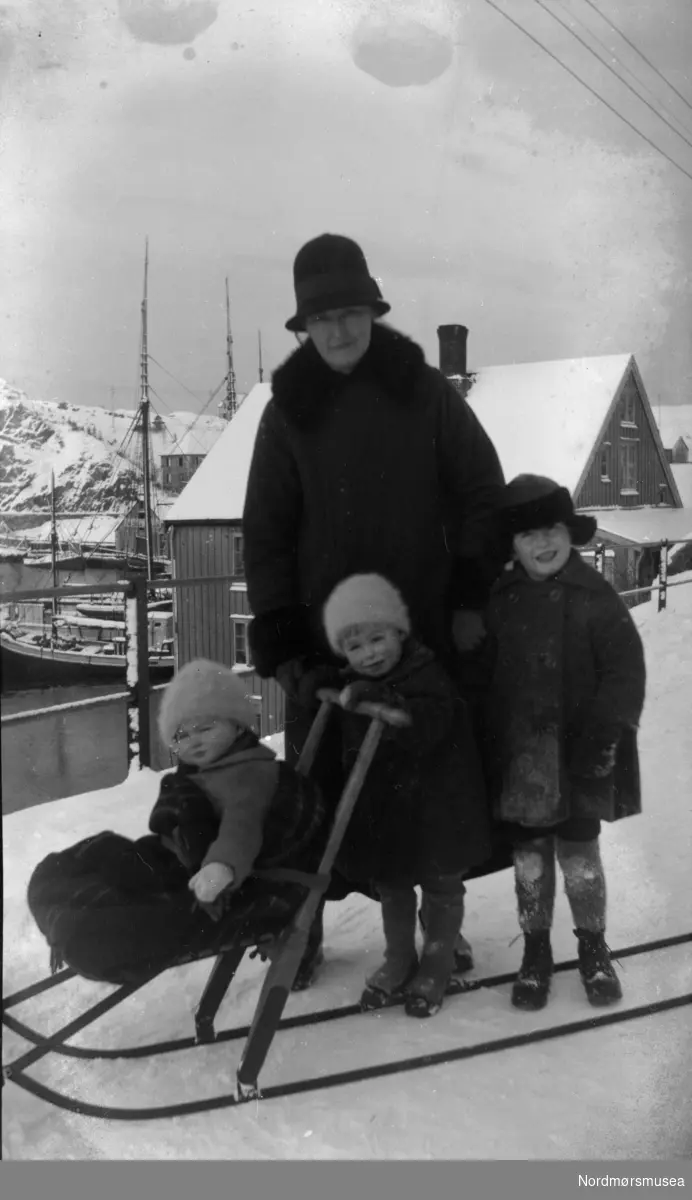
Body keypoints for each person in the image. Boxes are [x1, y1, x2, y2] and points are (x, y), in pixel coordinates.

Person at [242, 232, 507, 984]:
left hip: (422, 637)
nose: (339, 330)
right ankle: (302, 934)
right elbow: (265, 533)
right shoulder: (284, 410)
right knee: (315, 793)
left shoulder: (424, 392)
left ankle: (438, 936)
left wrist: (467, 596)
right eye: (321, 319)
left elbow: (481, 492)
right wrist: (286, 641)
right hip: (328, 645)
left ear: (372, 312)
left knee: (431, 783)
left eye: (351, 312)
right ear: (302, 327)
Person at [27, 660, 328, 986]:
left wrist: (219, 870)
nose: (194, 741)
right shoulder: (204, 768)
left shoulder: (249, 774)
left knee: (113, 923)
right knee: (79, 862)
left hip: (213, 876)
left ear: (238, 726)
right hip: (177, 858)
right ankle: (74, 914)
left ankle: (83, 926)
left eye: (206, 728)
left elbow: (241, 830)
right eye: (182, 734)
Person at [483, 475, 646, 1010]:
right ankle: (535, 951)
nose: (542, 543)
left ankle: (593, 948)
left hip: (582, 752)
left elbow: (625, 671)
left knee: (579, 855)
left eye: (551, 529)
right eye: (527, 535)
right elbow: (482, 672)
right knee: (529, 858)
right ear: (512, 544)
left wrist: (606, 737)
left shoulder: (594, 597)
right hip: (524, 757)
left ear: (569, 533)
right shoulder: (499, 600)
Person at [316, 573, 492, 1017]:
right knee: (392, 887)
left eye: (378, 638)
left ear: (399, 632)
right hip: (389, 811)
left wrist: (384, 700)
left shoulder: (426, 674)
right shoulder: (353, 685)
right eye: (355, 647)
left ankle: (437, 962)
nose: (369, 653)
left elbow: (428, 724)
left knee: (441, 886)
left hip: (438, 806)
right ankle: (399, 959)